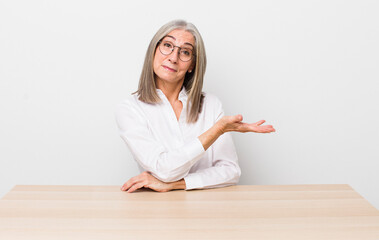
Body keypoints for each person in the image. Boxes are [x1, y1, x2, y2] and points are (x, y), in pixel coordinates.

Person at [115, 20, 275, 193]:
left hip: (207, 209)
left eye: (185, 52)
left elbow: (231, 171)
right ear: (154, 50)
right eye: (167, 45)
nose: (173, 58)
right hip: (158, 211)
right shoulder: (130, 109)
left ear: (192, 64)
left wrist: (175, 185)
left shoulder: (211, 104)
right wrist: (216, 131)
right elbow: (164, 169)